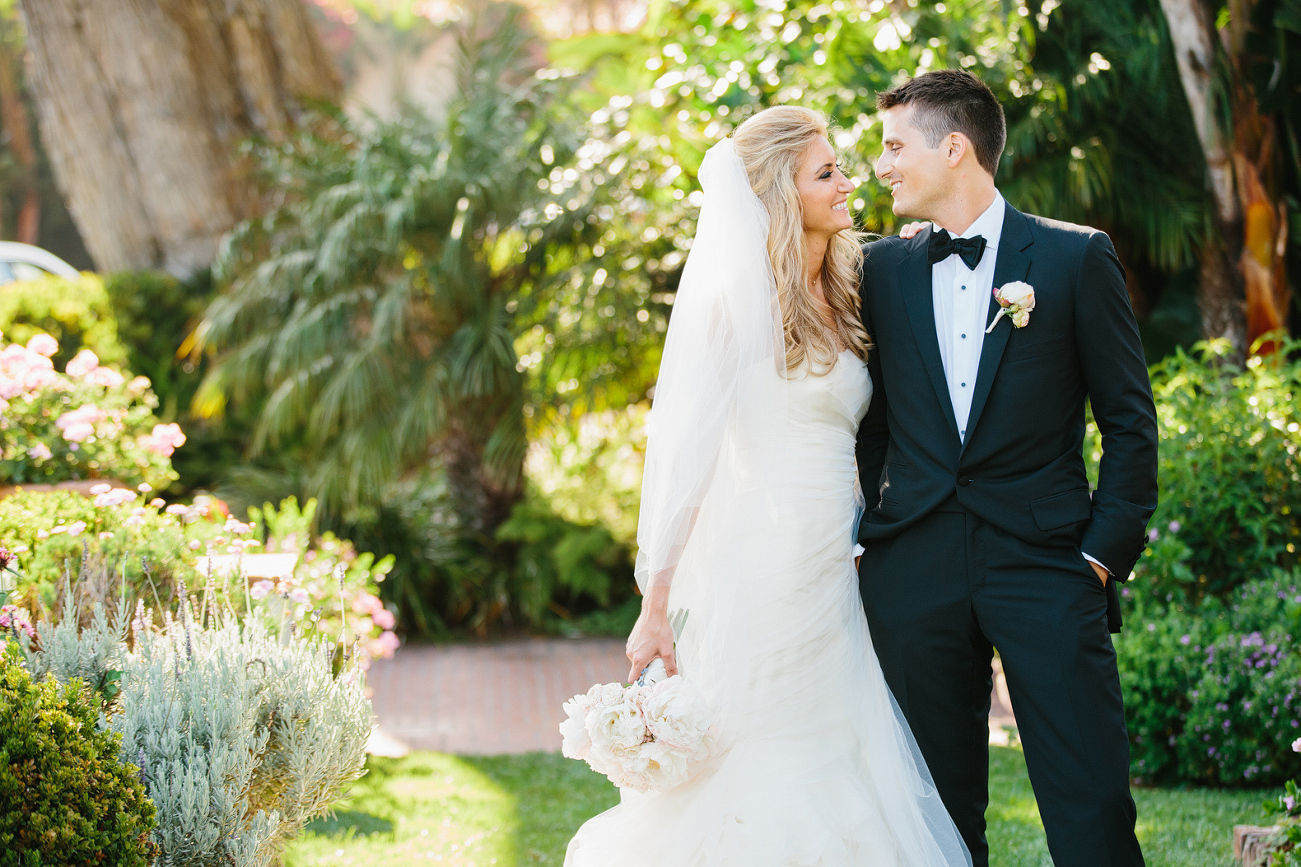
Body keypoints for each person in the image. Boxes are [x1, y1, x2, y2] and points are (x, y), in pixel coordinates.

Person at [564, 107, 970, 866]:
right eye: (826, 174)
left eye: (841, 166)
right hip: (766, 565)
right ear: (780, 197)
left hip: (843, 563)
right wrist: (656, 606)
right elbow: (686, 462)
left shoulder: (855, 286)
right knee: (767, 743)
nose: (849, 182)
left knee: (841, 740)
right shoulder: (734, 305)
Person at [856, 69, 1158, 867]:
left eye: (893, 146)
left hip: (1048, 563)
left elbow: (1128, 420)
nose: (880, 165)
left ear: (953, 147)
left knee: (1088, 799)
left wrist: (1099, 555)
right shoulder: (880, 270)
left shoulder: (1072, 258)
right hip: (913, 567)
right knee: (932, 815)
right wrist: (875, 532)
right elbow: (872, 422)